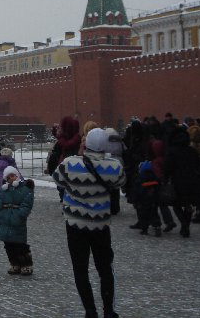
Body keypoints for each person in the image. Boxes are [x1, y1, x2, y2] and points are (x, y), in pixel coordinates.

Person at [53, 128, 126, 318]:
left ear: (86, 144)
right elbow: (120, 182)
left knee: (80, 269)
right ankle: (108, 311)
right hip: (101, 224)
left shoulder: (70, 164)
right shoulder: (114, 166)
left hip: (75, 225)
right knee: (105, 268)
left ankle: (90, 311)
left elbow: (58, 179)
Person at [0, 166, 34, 275]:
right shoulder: (4, 189)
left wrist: (20, 214)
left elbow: (27, 204)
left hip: (17, 220)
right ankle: (14, 263)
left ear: (17, 176)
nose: (11, 178)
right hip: (4, 220)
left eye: (13, 176)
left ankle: (26, 264)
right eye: (8, 177)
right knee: (8, 244)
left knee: (20, 244)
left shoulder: (24, 189)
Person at [164, 126, 200, 238]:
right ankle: (186, 225)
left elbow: (168, 167)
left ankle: (184, 223)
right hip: (192, 181)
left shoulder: (172, 151)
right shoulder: (192, 151)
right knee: (188, 204)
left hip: (177, 181)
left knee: (176, 205)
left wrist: (165, 179)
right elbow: (197, 165)